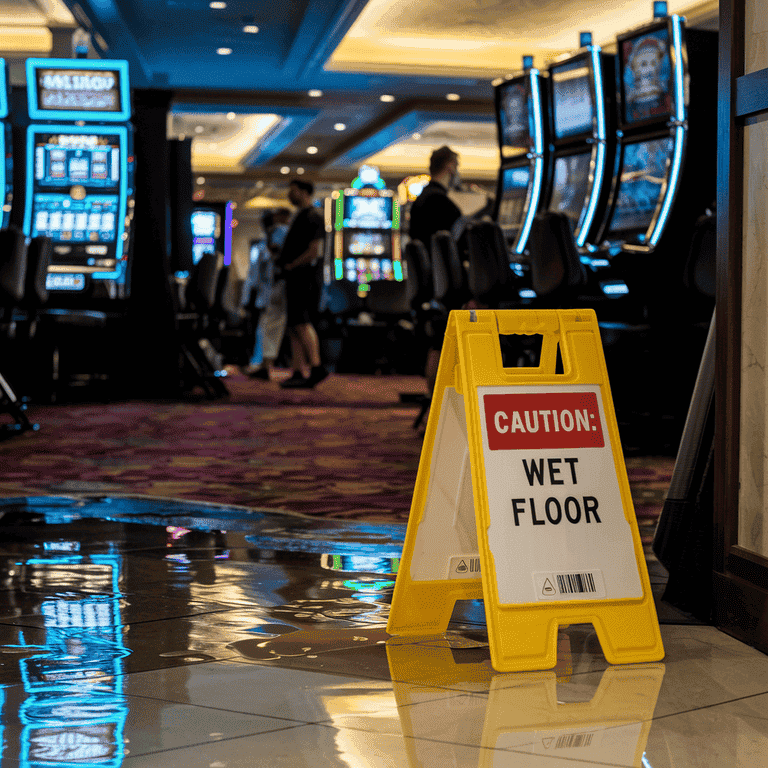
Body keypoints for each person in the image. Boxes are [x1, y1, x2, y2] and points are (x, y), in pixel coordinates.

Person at [277, 179, 328, 389]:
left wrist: (292, 265)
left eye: (293, 191)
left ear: (304, 192)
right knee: (294, 326)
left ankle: (316, 367)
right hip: (296, 277)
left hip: (305, 277)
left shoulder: (314, 216)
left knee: (302, 323)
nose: (290, 194)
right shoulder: (301, 216)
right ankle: (298, 371)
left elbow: (315, 250)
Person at [244, 208, 291, 380]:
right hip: (270, 287)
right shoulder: (270, 235)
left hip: (279, 285)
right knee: (265, 327)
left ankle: (265, 365)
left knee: (271, 326)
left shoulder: (281, 232)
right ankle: (262, 364)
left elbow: (279, 256)